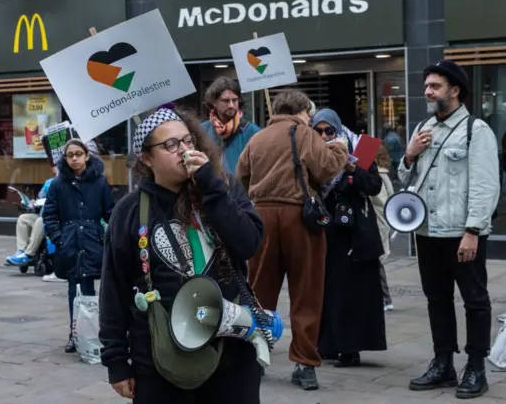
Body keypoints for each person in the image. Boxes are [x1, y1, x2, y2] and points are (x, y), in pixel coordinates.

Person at [99, 105, 265, 403]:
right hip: (161, 362)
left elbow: (249, 243)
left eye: (188, 141)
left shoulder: (223, 188)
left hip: (231, 354)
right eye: (170, 145)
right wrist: (115, 361)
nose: (184, 150)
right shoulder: (130, 211)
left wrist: (211, 188)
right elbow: (114, 289)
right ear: (147, 158)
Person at [398, 60, 500, 399]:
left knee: (475, 301)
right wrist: (409, 155)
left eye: (435, 86)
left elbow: (486, 186)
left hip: (462, 232)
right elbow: (404, 179)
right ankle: (443, 363)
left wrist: (473, 230)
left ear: (455, 90)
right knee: (436, 299)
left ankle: (476, 367)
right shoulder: (424, 128)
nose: (427, 91)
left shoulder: (476, 130)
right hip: (427, 233)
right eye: (427, 85)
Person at [236, 92, 348, 391]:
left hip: (261, 217)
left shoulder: (257, 138)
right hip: (300, 217)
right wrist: (340, 151)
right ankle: (305, 364)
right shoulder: (304, 133)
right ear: (300, 110)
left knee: (259, 291)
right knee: (307, 292)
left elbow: (241, 176)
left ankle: (254, 357)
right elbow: (325, 170)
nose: (310, 118)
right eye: (308, 113)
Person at [314, 108, 387, 368]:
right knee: (328, 288)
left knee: (354, 290)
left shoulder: (361, 147)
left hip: (355, 231)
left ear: (338, 128)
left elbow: (374, 185)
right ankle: (328, 345)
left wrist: (352, 169)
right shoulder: (312, 152)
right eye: (318, 131)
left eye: (329, 131)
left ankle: (351, 348)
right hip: (326, 229)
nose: (324, 136)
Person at [43, 139, 114, 353]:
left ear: (86, 155)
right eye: (70, 155)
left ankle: (90, 332)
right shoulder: (58, 184)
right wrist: (60, 239)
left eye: (78, 154)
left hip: (92, 241)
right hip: (70, 242)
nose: (74, 158)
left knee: (90, 289)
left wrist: (110, 237)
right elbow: (49, 215)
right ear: (65, 158)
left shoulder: (99, 182)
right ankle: (74, 334)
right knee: (73, 290)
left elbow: (110, 212)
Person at [199, 77, 260, 174]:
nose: (231, 105)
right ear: (214, 102)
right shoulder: (201, 130)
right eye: (226, 100)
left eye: (235, 100)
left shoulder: (252, 131)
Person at [6, 167, 57, 266]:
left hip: (56, 218)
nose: (55, 169)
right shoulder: (49, 183)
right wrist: (33, 202)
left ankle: (28, 255)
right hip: (43, 213)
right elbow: (40, 198)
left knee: (41, 221)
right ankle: (20, 251)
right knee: (23, 218)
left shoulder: (67, 183)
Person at [371, 145, 395, 312]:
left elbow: (379, 199)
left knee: (375, 262)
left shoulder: (378, 175)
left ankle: (385, 299)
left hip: (377, 221)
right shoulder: (384, 174)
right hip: (382, 221)